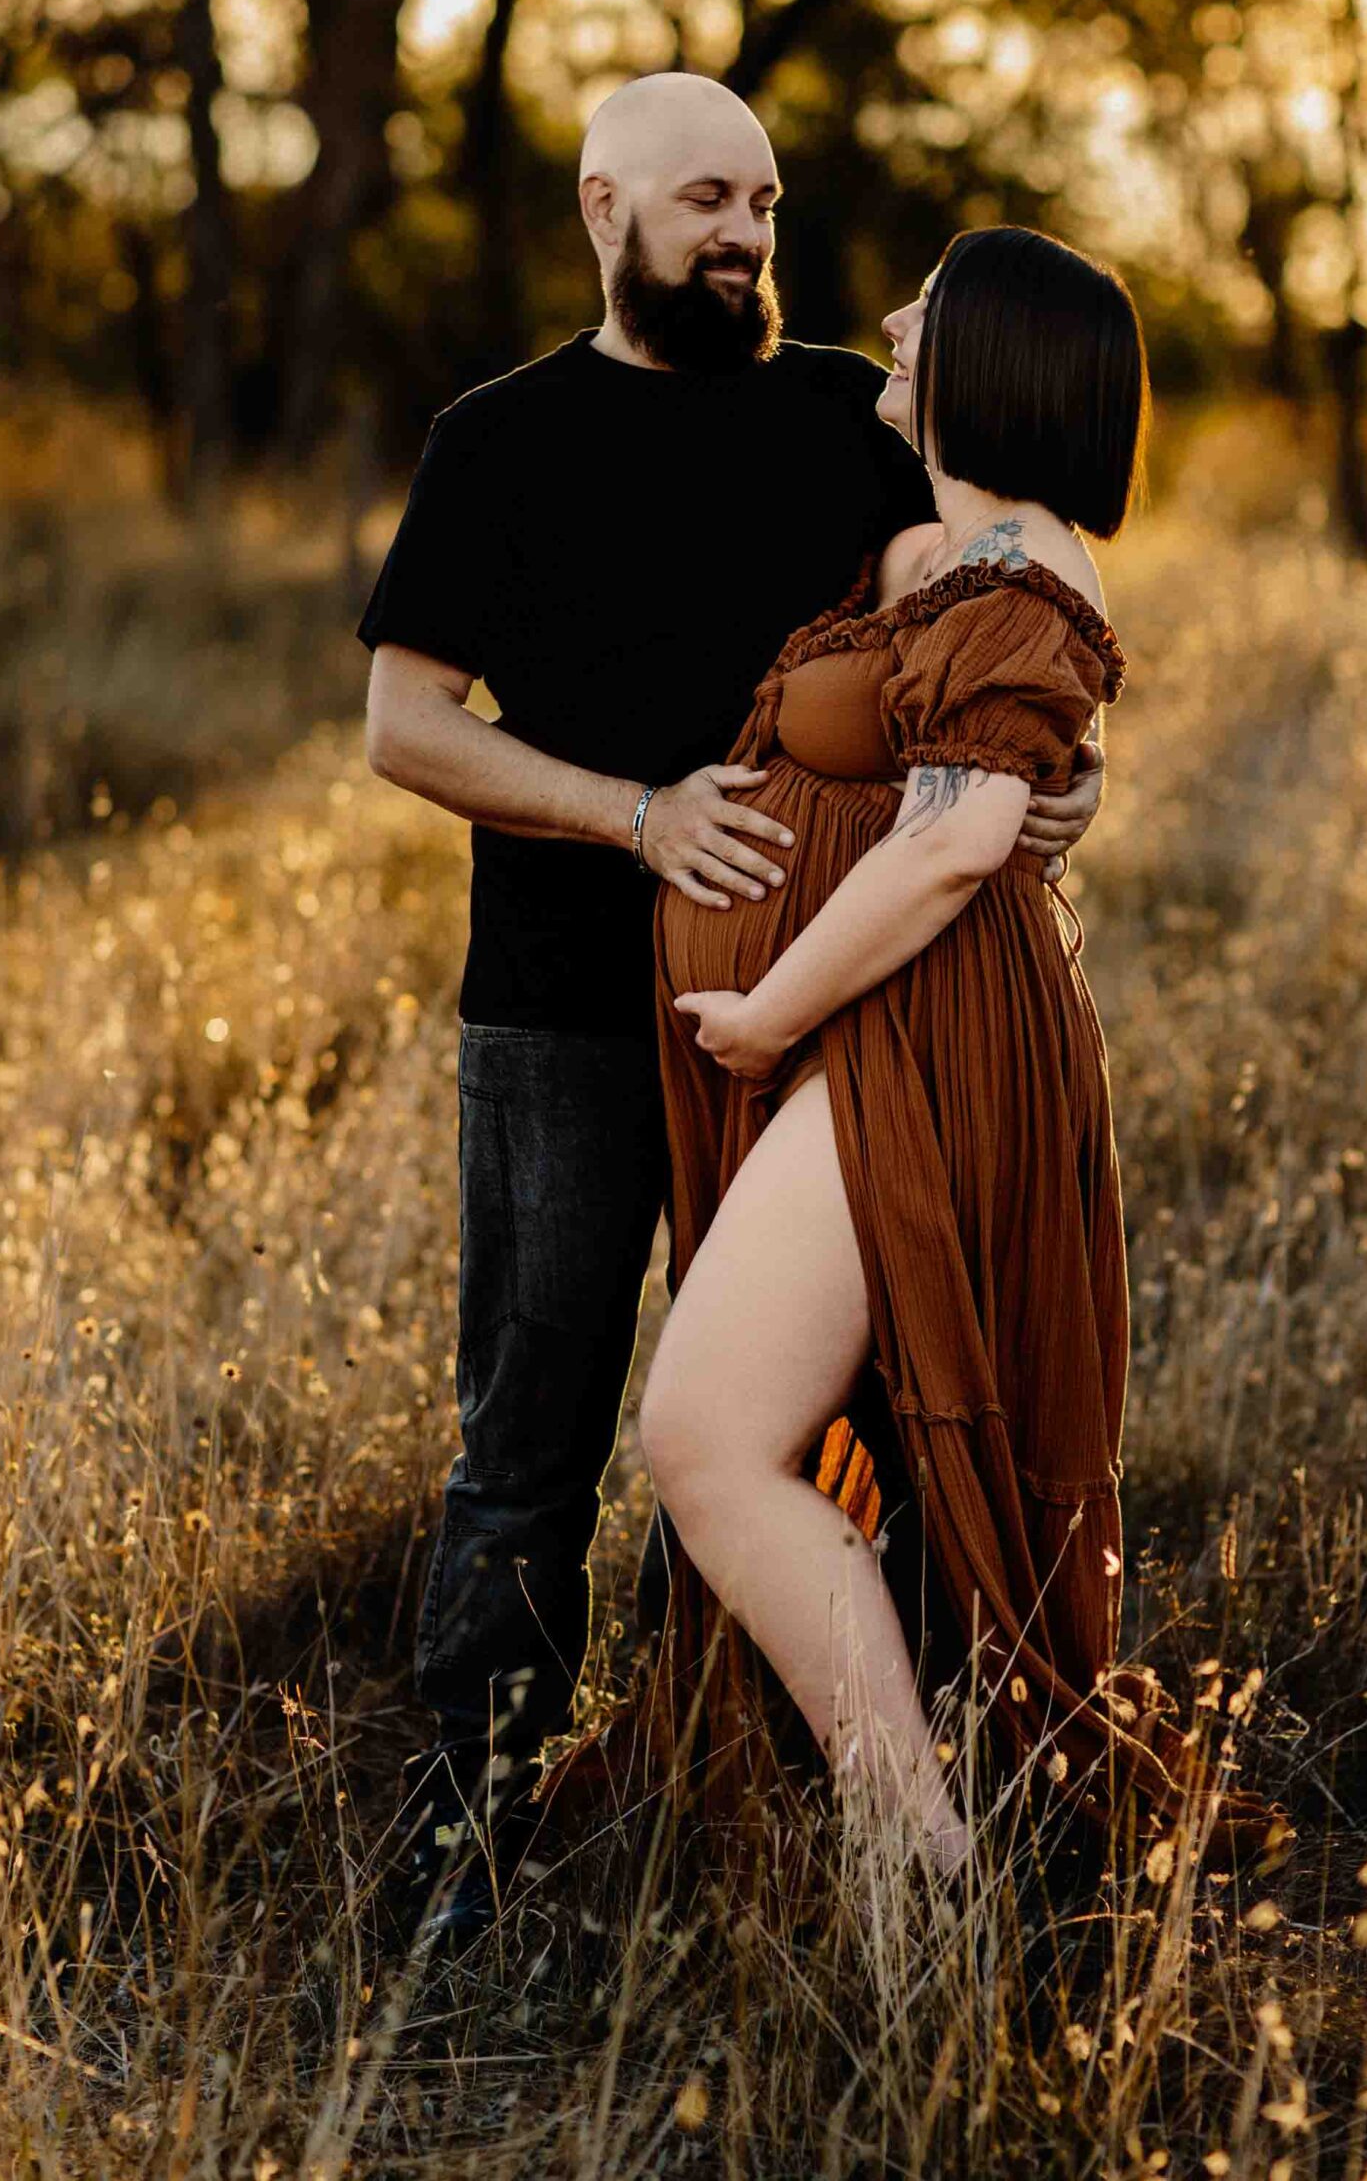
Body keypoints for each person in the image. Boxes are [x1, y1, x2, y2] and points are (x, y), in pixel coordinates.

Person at [355, 77, 1106, 1939]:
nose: (745, 238)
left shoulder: (852, 414)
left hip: (831, 1033)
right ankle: (464, 1851)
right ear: (603, 205)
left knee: (840, 1422)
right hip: (561, 1014)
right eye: (705, 201)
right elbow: (404, 727)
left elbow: (994, 623)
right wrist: (636, 814)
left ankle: (819, 1824)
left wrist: (1067, 785)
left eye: (763, 204)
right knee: (530, 1437)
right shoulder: (498, 439)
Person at [551, 223, 1285, 1879]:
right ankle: (916, 1848)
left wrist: (769, 1013)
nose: (890, 317)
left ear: (993, 360)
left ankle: (918, 1863)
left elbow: (953, 842)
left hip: (914, 1041)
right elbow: (963, 731)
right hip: (868, 1035)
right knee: (751, 1436)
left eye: (928, 308)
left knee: (705, 1436)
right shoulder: (950, 556)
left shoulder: (1023, 577)